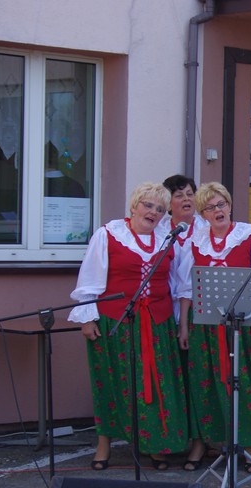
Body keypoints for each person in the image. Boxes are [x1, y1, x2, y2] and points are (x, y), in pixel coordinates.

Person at [68, 182, 188, 471]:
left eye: (160, 209)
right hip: (116, 321)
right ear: (134, 206)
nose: (153, 212)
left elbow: (177, 286)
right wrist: (87, 317)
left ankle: (155, 444)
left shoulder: (168, 240)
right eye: (148, 205)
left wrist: (178, 323)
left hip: (157, 325)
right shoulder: (109, 234)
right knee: (112, 383)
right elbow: (90, 278)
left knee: (157, 384)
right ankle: (104, 444)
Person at [175, 182, 251, 471]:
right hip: (206, 327)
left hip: (243, 325)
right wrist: (183, 326)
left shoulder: (250, 235)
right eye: (210, 208)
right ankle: (206, 443)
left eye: (221, 204)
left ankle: (250, 446)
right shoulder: (195, 241)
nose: (217, 211)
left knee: (245, 384)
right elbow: (185, 287)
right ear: (203, 214)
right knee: (206, 383)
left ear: (230, 206)